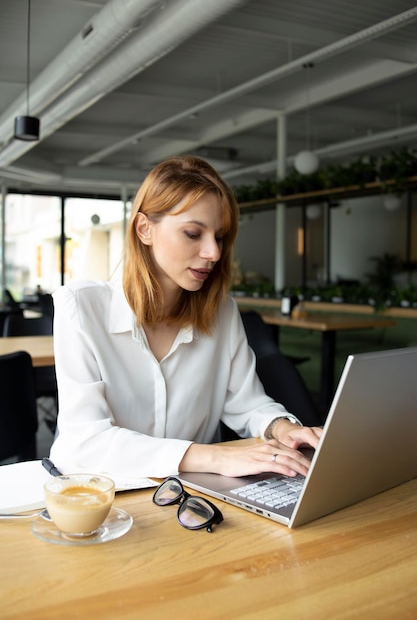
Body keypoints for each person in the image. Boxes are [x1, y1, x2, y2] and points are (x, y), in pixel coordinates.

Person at [50, 155, 322, 479]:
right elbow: (86, 441)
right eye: (194, 233)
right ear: (144, 229)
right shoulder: (80, 308)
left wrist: (280, 427)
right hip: (99, 497)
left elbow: (247, 403)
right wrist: (215, 459)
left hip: (191, 499)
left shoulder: (222, 312)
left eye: (219, 236)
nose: (214, 253)